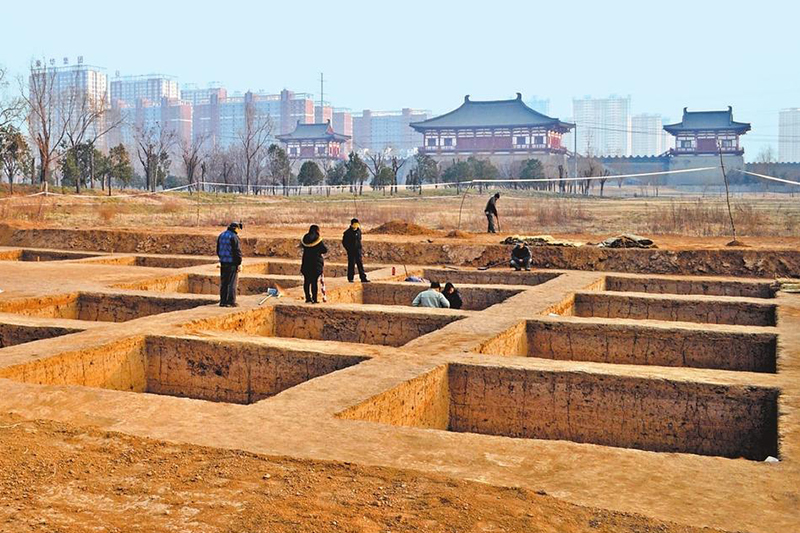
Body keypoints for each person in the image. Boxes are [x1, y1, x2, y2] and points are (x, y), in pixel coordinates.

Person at [216, 222, 243, 307]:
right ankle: (231, 301)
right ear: (235, 228)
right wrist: (239, 263)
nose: (239, 231)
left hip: (223, 262)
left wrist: (221, 259)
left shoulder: (221, 235)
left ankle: (223, 301)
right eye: (238, 229)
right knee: (232, 283)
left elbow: (218, 250)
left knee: (224, 283)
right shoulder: (234, 237)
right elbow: (237, 251)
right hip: (232, 263)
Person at [300, 224, 328, 303]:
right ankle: (314, 299)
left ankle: (308, 298)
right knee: (314, 282)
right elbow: (324, 250)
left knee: (306, 282)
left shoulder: (305, 238)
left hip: (306, 263)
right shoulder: (317, 239)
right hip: (315, 264)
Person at [342, 218, 369, 283]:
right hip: (351, 251)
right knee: (351, 264)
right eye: (355, 224)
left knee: (360, 264)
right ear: (351, 224)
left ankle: (363, 278)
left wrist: (359, 248)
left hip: (358, 251)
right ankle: (350, 278)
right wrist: (348, 249)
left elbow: (359, 240)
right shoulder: (347, 233)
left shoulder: (358, 231)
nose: (356, 226)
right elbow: (344, 242)